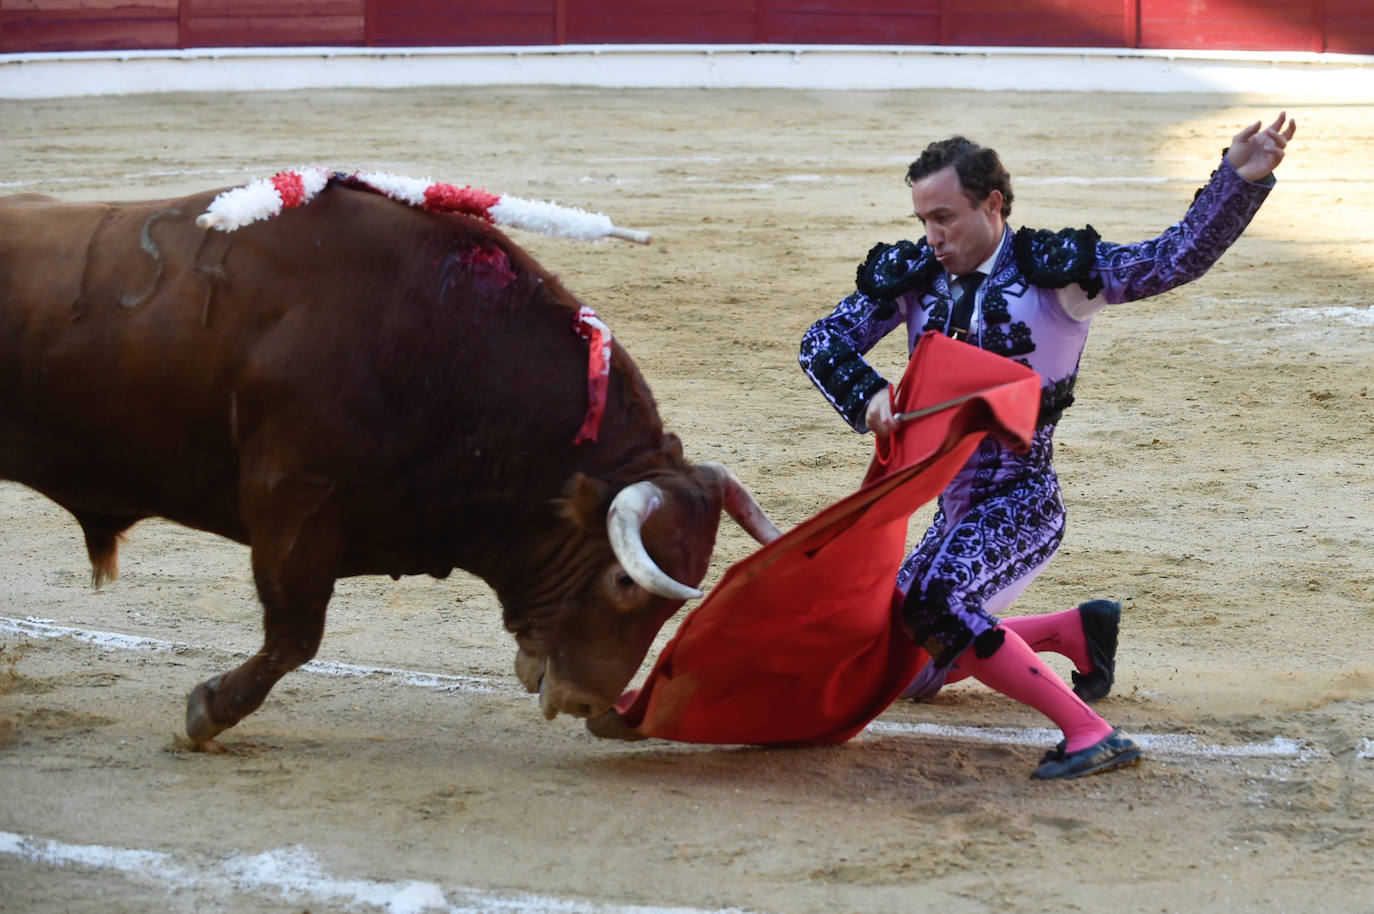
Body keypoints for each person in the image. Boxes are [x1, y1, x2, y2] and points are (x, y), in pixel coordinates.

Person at [799, 113, 1296, 779]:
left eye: (945, 217)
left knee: (941, 604)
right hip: (952, 510)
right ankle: (1072, 631)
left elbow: (1172, 257)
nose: (932, 236)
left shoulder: (1056, 275)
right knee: (901, 659)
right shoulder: (915, 276)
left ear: (992, 204)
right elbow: (821, 341)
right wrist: (868, 392)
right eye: (923, 220)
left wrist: (1234, 180)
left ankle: (1090, 733)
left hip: (1022, 500)